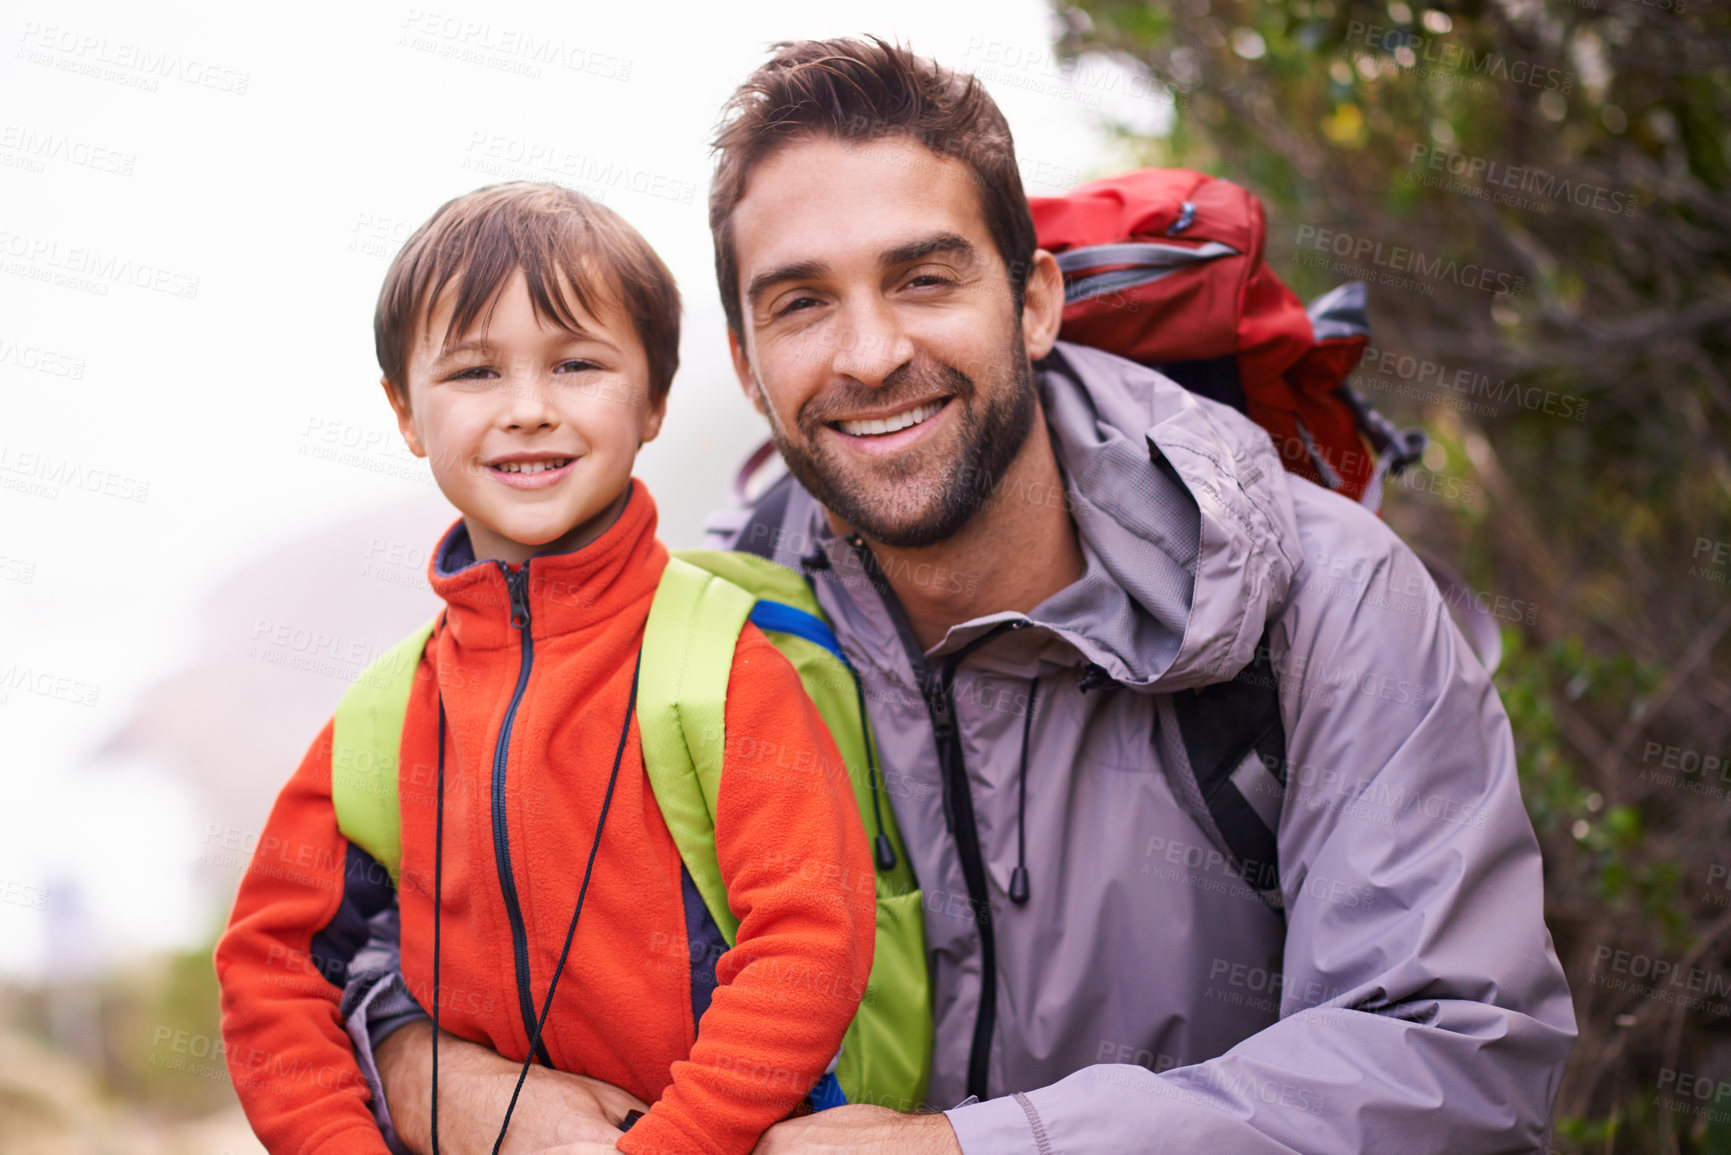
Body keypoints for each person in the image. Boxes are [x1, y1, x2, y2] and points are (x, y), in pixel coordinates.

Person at [348, 40, 1578, 1155]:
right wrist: (422, 1065)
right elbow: (428, 929)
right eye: (802, 303)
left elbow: (1458, 1065)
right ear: (745, 365)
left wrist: (972, 1151)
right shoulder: (697, 645)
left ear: (1034, 301)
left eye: (924, 278)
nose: (870, 352)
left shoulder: (1327, 605)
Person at [213, 182, 879, 1155]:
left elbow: (812, 938)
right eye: (475, 373)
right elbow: (271, 969)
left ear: (652, 398)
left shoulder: (723, 662)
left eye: (576, 363)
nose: (528, 411)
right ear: (406, 413)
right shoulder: (386, 712)